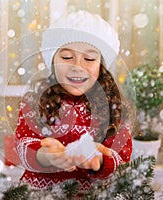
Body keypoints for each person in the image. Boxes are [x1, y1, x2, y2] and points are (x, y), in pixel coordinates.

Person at [13, 10, 132, 195]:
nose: (77, 66)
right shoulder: (34, 102)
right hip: (42, 196)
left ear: (101, 65)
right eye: (67, 57)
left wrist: (99, 161)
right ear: (53, 61)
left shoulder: (112, 107)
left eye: (89, 58)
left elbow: (122, 158)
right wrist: (46, 156)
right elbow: (23, 148)